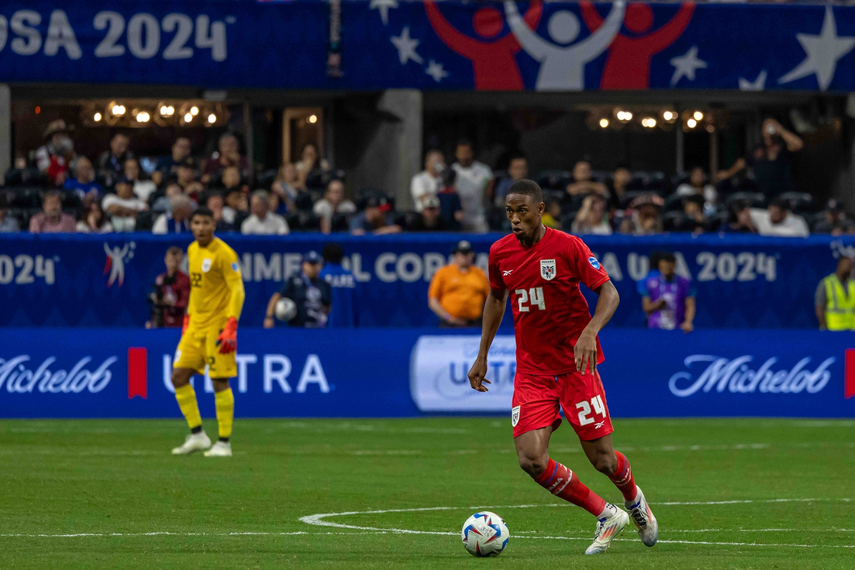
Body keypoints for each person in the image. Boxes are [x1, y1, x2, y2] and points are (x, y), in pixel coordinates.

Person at [467, 179, 656, 556]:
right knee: (531, 460)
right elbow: (496, 298)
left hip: (576, 367)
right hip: (533, 372)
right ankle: (606, 514)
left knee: (603, 459)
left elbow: (610, 292)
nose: (515, 219)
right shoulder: (500, 253)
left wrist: (590, 331)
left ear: (540, 210)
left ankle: (634, 499)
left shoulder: (568, 246)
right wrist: (482, 353)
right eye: (509, 212)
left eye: (522, 211)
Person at [170, 207, 245, 457]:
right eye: (196, 223)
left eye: (206, 223)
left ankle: (224, 442)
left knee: (218, 381)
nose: (201, 228)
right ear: (190, 225)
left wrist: (232, 324)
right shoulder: (192, 250)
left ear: (214, 225)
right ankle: (198, 435)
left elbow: (237, 289)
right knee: (178, 377)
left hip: (218, 326)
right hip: (195, 326)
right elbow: (196, 289)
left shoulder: (224, 253)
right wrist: (188, 319)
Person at [717, 118, 803, 199]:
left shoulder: (782, 147)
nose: (768, 128)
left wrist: (780, 130)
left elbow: (798, 144)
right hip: (763, 195)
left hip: (784, 195)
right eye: (766, 126)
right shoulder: (759, 150)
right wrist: (728, 173)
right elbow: (742, 162)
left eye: (771, 125)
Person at [428, 240, 490, 327]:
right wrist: (447, 317)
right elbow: (433, 300)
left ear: (472, 255)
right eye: (462, 253)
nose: (464, 257)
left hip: (475, 323)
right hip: (449, 324)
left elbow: (490, 299)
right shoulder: (444, 273)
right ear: (456, 255)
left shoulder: (480, 274)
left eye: (467, 253)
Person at [264, 251, 332, 329]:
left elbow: (327, 307)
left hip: (317, 328)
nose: (313, 267)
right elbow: (277, 296)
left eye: (316, 264)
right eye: (311, 264)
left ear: (320, 266)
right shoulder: (294, 281)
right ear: (303, 265)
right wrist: (269, 317)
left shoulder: (324, 284)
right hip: (297, 327)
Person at [642, 252, 695, 333]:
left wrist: (688, 322)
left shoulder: (684, 283)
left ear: (674, 265)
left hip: (677, 327)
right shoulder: (650, 283)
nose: (665, 270)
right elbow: (646, 307)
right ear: (659, 266)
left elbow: (690, 305)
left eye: (668, 267)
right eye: (663, 267)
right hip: (655, 328)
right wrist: (658, 304)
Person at [452, 139, 493, 233]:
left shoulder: (484, 171)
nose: (463, 156)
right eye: (461, 152)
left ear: (472, 153)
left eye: (466, 152)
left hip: (478, 218)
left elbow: (489, 194)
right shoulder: (452, 171)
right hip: (458, 219)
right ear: (456, 154)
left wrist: (489, 187)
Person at [147, 246, 191, 329]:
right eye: (170, 261)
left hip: (180, 323)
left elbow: (186, 303)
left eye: (176, 261)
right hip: (163, 323)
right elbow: (156, 305)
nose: (173, 264)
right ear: (165, 260)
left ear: (181, 261)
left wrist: (172, 303)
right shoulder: (160, 279)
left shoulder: (185, 280)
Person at [319, 242, 358, 328]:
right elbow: (357, 306)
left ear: (324, 257)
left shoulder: (321, 275)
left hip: (327, 330)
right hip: (349, 328)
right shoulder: (351, 276)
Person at [815, 256, 854, 331]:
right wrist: (824, 325)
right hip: (834, 328)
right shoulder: (827, 283)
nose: (848, 267)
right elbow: (819, 307)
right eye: (846, 264)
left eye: (850, 265)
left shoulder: (853, 285)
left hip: (852, 329)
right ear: (839, 265)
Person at [35, 120, 75, 186]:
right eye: (57, 134)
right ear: (51, 137)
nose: (61, 137)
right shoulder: (43, 151)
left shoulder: (70, 152)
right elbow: (45, 171)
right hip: (48, 187)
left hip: (68, 187)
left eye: (63, 134)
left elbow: (74, 169)